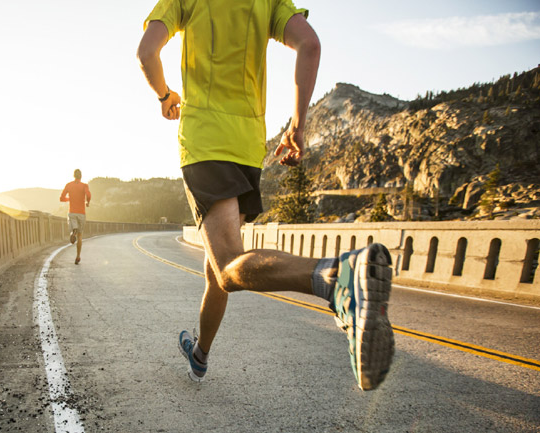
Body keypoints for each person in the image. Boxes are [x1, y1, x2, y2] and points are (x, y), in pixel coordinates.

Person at [137, 0, 394, 390]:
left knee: (227, 266)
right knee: (216, 270)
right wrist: (298, 125)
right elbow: (310, 45)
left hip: (205, 141)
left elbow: (146, 52)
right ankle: (200, 354)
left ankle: (336, 277)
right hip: (248, 148)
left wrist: (164, 95)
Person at [60, 169, 91, 264]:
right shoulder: (84, 186)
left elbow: (61, 198)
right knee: (80, 236)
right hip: (81, 213)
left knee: (73, 228)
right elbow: (88, 195)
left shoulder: (69, 185)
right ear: (81, 176)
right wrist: (87, 202)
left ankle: (72, 233)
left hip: (72, 212)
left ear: (74, 176)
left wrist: (69, 198)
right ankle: (78, 256)